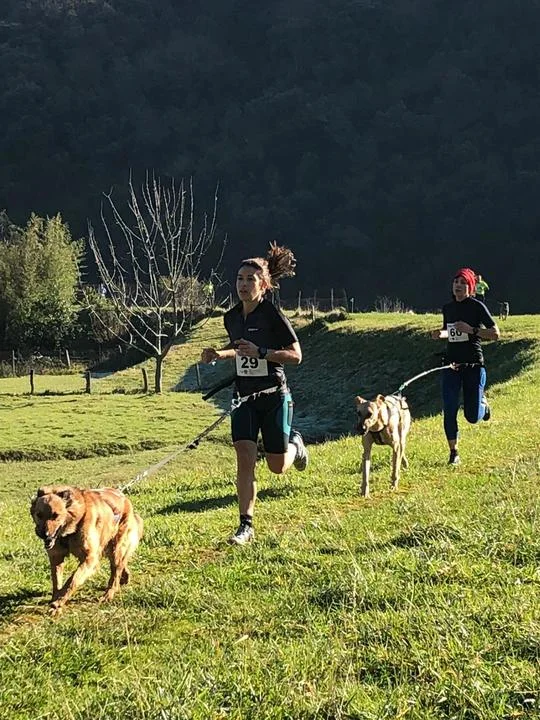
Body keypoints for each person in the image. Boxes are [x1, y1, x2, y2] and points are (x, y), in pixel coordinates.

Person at [201, 243, 308, 545]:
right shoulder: (232, 317)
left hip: (274, 396)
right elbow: (239, 350)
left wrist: (263, 352)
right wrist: (218, 354)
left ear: (263, 285)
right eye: (240, 279)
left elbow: (296, 355)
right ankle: (245, 526)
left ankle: (296, 446)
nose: (243, 284)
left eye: (250, 279)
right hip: (243, 399)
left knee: (277, 467)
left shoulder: (272, 315)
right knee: (244, 458)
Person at [431, 267, 500, 466]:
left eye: (463, 283)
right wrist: (440, 334)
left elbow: (495, 334)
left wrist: (472, 330)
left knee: (472, 417)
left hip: (474, 366)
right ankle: (454, 453)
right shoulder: (448, 308)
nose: (458, 286)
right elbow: (449, 331)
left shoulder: (477, 307)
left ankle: (483, 406)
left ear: (470, 287)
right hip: (451, 366)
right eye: (456, 282)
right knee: (449, 408)